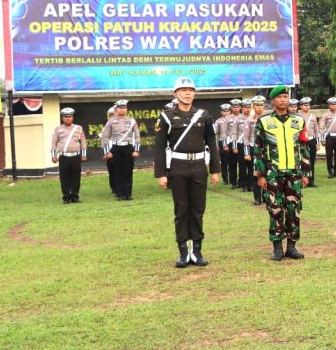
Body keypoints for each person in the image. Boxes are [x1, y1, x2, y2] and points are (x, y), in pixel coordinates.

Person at [154, 77, 222, 268]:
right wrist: (161, 174)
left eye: (191, 90)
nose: (187, 93)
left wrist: (215, 170)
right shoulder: (166, 116)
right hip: (178, 167)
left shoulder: (203, 115)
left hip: (199, 166)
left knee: (198, 209)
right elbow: (159, 147)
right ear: (175, 93)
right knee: (181, 209)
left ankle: (197, 251)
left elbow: (211, 142)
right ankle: (183, 252)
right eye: (183, 90)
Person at [254, 86, 311, 261]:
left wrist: (305, 173)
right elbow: (258, 149)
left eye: (286, 96)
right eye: (279, 97)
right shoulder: (264, 122)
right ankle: (277, 248)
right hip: (273, 173)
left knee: (293, 209)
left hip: (294, 173)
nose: (283, 100)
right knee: (275, 209)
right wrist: (260, 174)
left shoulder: (298, 121)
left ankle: (292, 247)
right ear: (273, 100)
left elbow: (304, 147)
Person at [101, 100, 140, 200]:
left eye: (124, 108)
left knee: (128, 171)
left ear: (126, 109)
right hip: (116, 148)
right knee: (117, 171)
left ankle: (128, 194)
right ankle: (119, 194)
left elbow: (137, 136)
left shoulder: (132, 121)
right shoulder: (111, 121)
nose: (122, 110)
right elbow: (105, 137)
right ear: (116, 109)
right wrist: (107, 152)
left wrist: (136, 150)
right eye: (120, 108)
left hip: (128, 147)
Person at [51, 107, 87, 204]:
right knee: (64, 178)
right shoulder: (58, 129)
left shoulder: (78, 128)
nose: (68, 118)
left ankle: (75, 197)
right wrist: (54, 156)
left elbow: (83, 142)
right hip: (64, 157)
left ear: (73, 117)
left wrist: (84, 155)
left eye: (70, 116)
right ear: (62, 118)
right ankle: (66, 197)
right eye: (65, 117)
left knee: (76, 177)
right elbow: (54, 143)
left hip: (76, 156)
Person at [318, 97, 336, 178]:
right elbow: (322, 128)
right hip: (329, 137)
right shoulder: (325, 116)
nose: (333, 106)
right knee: (329, 155)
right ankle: (330, 172)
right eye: (331, 105)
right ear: (329, 106)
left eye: (335, 105)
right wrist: (322, 139)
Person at [248, 96, 269, 205]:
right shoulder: (249, 120)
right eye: (257, 105)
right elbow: (246, 138)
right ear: (253, 106)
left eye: (261, 105)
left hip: (267, 149)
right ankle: (257, 198)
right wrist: (246, 152)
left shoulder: (269, 119)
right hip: (254, 149)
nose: (259, 107)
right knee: (256, 173)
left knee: (267, 172)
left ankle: (266, 196)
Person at [297, 97, 319, 187]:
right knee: (302, 161)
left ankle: (311, 181)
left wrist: (317, 142)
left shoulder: (313, 116)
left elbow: (316, 130)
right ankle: (302, 180)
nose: (307, 107)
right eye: (305, 105)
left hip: (312, 140)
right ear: (301, 106)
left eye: (308, 105)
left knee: (312, 161)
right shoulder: (298, 116)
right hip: (302, 141)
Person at [224, 98, 242, 188]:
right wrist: (225, 144)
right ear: (231, 108)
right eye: (234, 107)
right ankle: (233, 182)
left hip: (242, 142)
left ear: (240, 107)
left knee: (242, 164)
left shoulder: (243, 117)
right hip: (231, 142)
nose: (236, 109)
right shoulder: (227, 118)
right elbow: (224, 132)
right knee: (232, 164)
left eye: (237, 107)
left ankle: (241, 182)